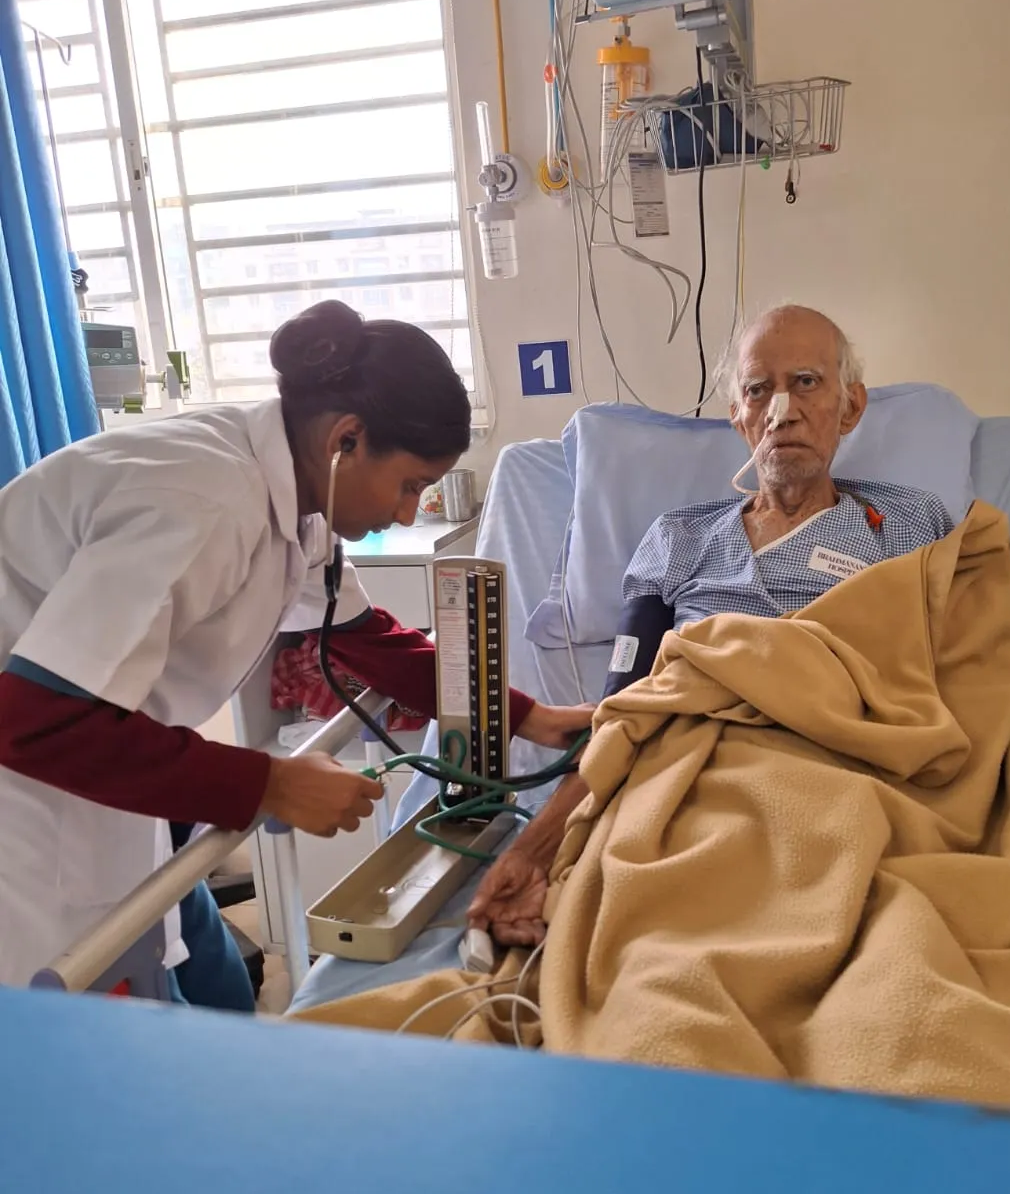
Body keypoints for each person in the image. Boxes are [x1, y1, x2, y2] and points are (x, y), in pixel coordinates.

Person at [0, 300, 591, 998]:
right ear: (347, 439)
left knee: (213, 982)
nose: (408, 512)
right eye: (410, 485)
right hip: (28, 799)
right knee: (98, 1020)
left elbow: (365, 639)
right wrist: (270, 784)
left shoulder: (295, 497)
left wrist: (527, 716)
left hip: (102, 764)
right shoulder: (205, 500)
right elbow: (33, 719)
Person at [468, 304, 955, 946]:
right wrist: (538, 849)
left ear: (850, 406)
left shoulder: (907, 525)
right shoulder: (679, 538)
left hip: (841, 774)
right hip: (691, 778)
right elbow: (626, 710)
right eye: (758, 390)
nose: (781, 410)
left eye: (806, 382)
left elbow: (954, 675)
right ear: (738, 417)